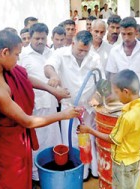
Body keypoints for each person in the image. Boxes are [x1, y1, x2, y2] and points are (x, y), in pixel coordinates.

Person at [0, 30, 79, 189]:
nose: (18, 59)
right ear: (5, 52)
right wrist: (63, 114)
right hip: (3, 141)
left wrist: (51, 90)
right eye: (17, 55)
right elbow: (28, 121)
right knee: (10, 181)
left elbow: (22, 76)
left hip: (16, 135)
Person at [44, 30, 105, 180]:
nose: (82, 53)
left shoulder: (94, 58)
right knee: (71, 140)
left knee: (89, 139)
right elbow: (49, 67)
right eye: (79, 50)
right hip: (69, 108)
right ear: (72, 43)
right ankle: (77, 173)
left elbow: (102, 82)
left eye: (86, 50)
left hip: (88, 108)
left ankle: (92, 171)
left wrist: (96, 99)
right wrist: (54, 76)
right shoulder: (61, 54)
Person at [77, 69, 140, 189]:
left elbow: (113, 139)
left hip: (123, 163)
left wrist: (90, 130)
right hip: (135, 158)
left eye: (116, 92)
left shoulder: (127, 116)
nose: (116, 95)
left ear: (126, 92)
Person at [18, 23, 64, 182]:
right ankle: (36, 177)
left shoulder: (52, 53)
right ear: (30, 37)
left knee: (52, 139)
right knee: (36, 143)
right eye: (36, 38)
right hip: (34, 107)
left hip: (51, 104)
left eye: (43, 38)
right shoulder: (23, 55)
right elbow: (22, 81)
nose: (39, 41)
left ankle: (52, 172)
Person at [106, 17, 140, 106]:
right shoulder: (114, 51)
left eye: (129, 34)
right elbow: (113, 75)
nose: (126, 38)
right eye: (123, 34)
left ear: (136, 32)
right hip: (121, 102)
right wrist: (114, 94)